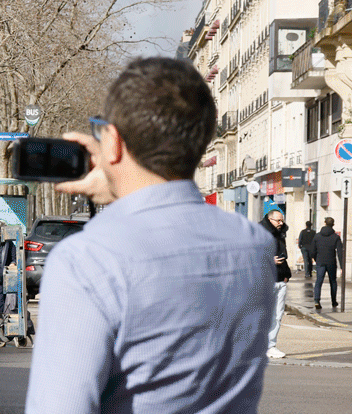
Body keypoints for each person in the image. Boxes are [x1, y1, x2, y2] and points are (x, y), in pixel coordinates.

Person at [25, 58, 274, 414]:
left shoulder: (87, 259)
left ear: (112, 142)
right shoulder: (254, 244)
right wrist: (121, 183)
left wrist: (120, 182)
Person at [259, 205, 290, 359]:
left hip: (280, 279)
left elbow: (284, 254)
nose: (281, 223)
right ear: (270, 219)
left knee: (277, 315)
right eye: (278, 220)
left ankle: (270, 345)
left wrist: (286, 274)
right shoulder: (259, 232)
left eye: (282, 220)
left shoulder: (281, 233)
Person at [312, 217, 344, 310]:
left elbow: (313, 250)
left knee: (319, 281)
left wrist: (316, 259)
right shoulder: (336, 237)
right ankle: (334, 301)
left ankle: (317, 300)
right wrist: (342, 266)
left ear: (324, 223)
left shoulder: (317, 236)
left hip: (320, 261)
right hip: (331, 262)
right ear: (333, 224)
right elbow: (340, 252)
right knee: (333, 281)